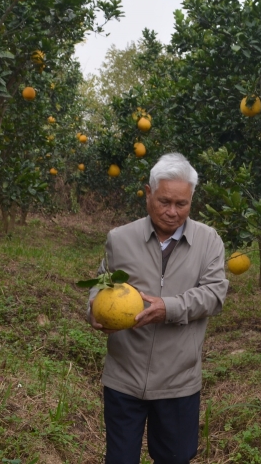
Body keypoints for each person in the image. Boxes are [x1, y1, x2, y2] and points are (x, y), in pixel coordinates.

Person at [89, 153, 228, 464]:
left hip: (178, 380)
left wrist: (169, 307)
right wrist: (94, 312)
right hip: (124, 377)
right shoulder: (120, 239)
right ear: (148, 193)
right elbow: (101, 285)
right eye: (164, 201)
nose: (172, 212)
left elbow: (215, 294)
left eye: (182, 204)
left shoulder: (208, 241)